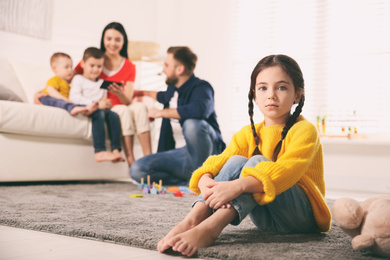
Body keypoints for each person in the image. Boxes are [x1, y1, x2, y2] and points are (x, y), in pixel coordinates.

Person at [157, 54, 332, 257]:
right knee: (236, 160)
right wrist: (205, 180)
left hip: (302, 217)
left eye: (281, 87)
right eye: (263, 88)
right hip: (267, 218)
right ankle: (193, 219)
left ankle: (213, 226)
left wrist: (236, 186)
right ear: (254, 95)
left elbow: (286, 173)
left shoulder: (305, 130)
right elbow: (219, 161)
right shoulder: (248, 133)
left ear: (297, 95)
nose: (271, 95)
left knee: (258, 162)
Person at [130, 46, 226, 185]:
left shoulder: (202, 87)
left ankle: (203, 177)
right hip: (182, 157)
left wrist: (160, 113)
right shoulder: (172, 90)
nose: (163, 69)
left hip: (208, 157)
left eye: (166, 65)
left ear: (179, 69)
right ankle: (189, 182)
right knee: (137, 169)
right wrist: (142, 93)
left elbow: (201, 110)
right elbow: (162, 96)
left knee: (192, 124)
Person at [74, 22, 152, 167]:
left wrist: (118, 93)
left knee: (140, 107)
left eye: (117, 39)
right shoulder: (94, 59)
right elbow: (69, 79)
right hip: (107, 107)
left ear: (123, 42)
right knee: (122, 111)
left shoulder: (129, 66)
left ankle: (150, 159)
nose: (112, 43)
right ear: (103, 40)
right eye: (108, 38)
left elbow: (128, 100)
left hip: (122, 104)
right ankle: (130, 160)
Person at [69, 47, 125, 163]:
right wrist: (96, 104)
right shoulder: (78, 79)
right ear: (83, 64)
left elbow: (103, 100)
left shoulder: (101, 83)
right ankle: (99, 151)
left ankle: (116, 149)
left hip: (100, 109)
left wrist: (106, 104)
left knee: (113, 115)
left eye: (99, 66)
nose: (95, 69)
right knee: (99, 114)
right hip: (87, 109)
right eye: (92, 65)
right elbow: (74, 97)